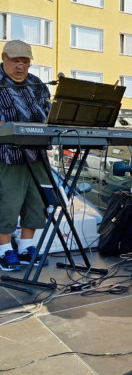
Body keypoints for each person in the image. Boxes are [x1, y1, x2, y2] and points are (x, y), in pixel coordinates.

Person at [0, 40, 51, 272]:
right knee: (7, 202)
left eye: (25, 61)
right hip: (7, 155)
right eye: (15, 60)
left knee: (36, 200)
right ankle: (3, 251)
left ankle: (25, 246)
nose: (20, 66)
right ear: (4, 58)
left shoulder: (37, 84)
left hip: (37, 153)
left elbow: (49, 113)